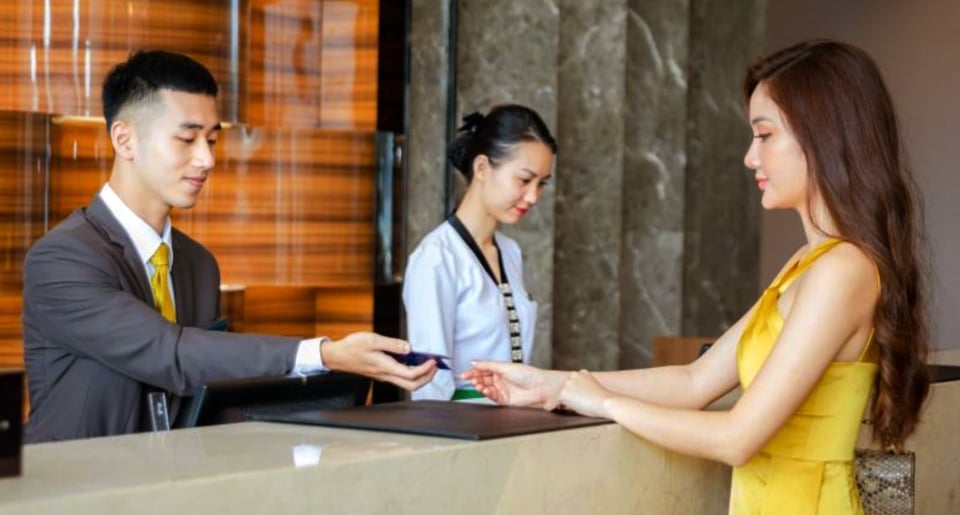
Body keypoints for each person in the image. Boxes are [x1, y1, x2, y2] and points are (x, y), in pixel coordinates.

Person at [464, 40, 929, 514]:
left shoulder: (843, 270)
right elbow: (695, 380)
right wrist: (552, 385)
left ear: (824, 137)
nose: (750, 157)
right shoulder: (810, 263)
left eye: (764, 136)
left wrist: (603, 402)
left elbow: (737, 437)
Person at [21, 50, 436, 443]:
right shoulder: (62, 259)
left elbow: (208, 389)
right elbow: (172, 354)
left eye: (212, 141)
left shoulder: (197, 263)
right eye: (187, 140)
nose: (207, 159)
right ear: (124, 140)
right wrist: (324, 353)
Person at [403, 105, 557, 400]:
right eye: (525, 180)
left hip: (513, 420)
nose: (533, 196)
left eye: (542, 184)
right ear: (483, 168)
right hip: (462, 428)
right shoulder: (436, 258)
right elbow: (429, 385)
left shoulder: (510, 251)